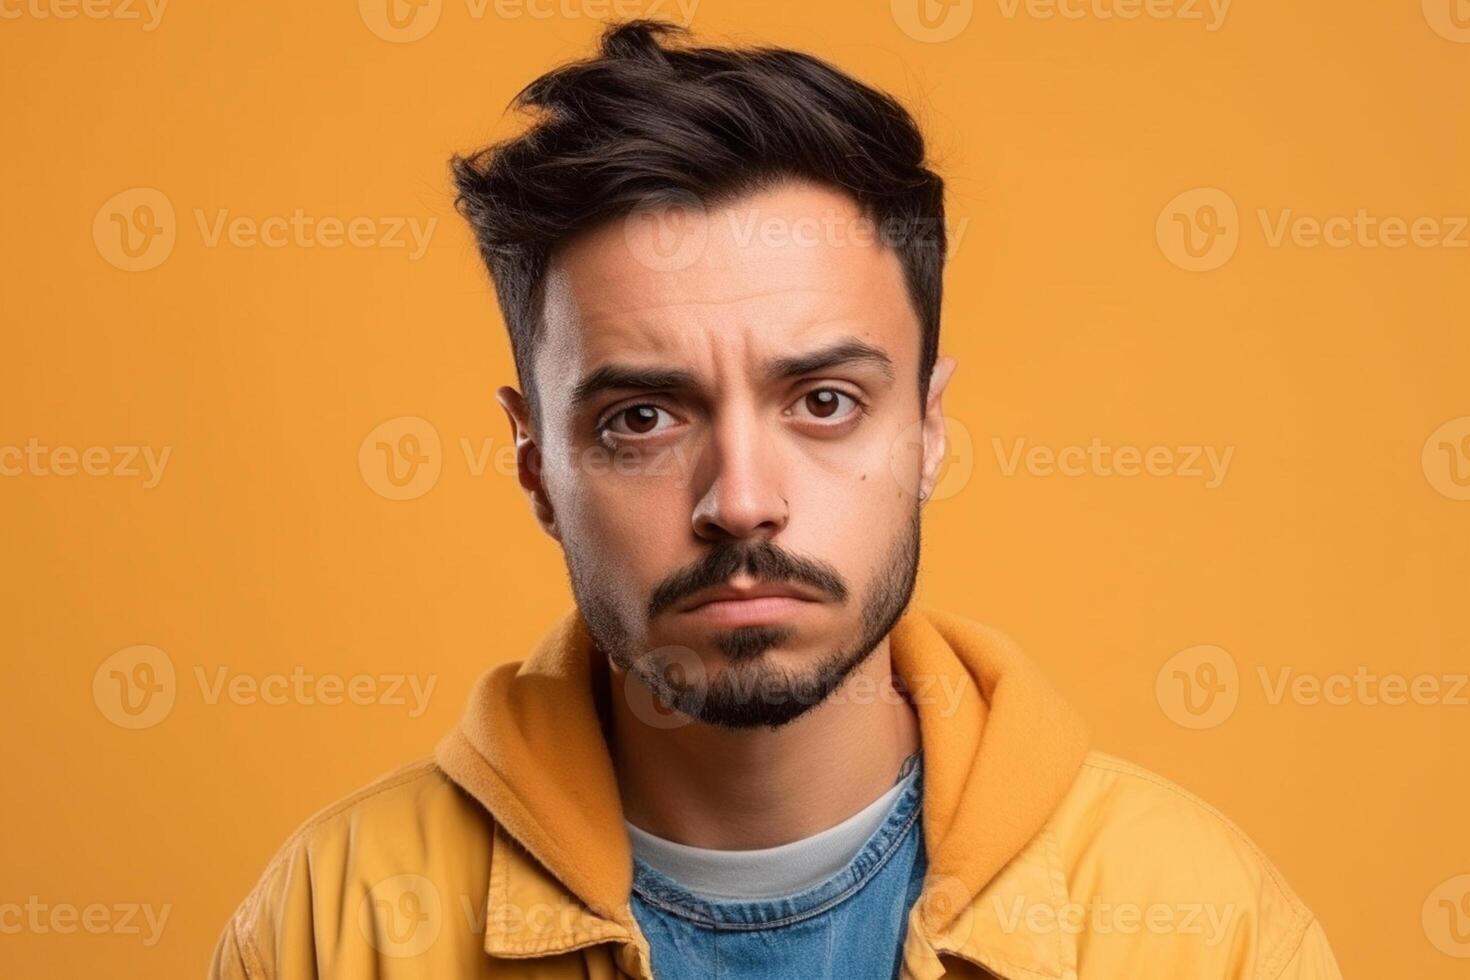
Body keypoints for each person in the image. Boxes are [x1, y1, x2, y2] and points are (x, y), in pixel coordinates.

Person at [208, 20, 1343, 979]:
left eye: (826, 400)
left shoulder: (1199, 923)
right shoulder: (334, 920)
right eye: (643, 418)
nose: (743, 502)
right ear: (536, 463)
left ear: (929, 430)